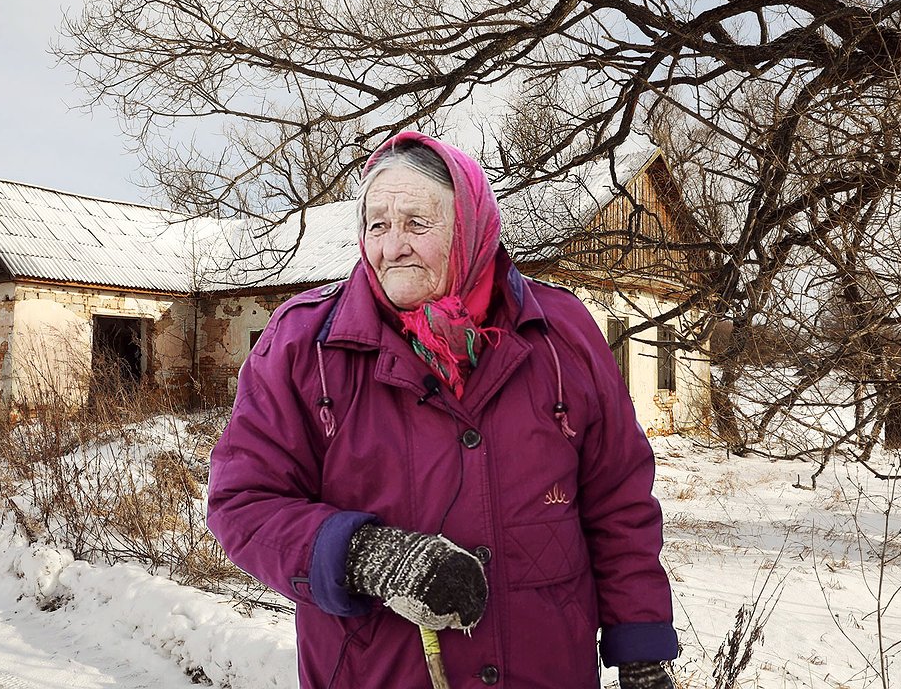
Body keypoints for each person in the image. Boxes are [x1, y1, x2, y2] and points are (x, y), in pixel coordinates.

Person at [207, 131, 678, 688]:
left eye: (416, 223)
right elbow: (243, 501)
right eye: (377, 224)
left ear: (470, 229)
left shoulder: (560, 333)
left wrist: (641, 649)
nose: (392, 245)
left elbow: (617, 499)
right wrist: (365, 554)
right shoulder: (304, 344)